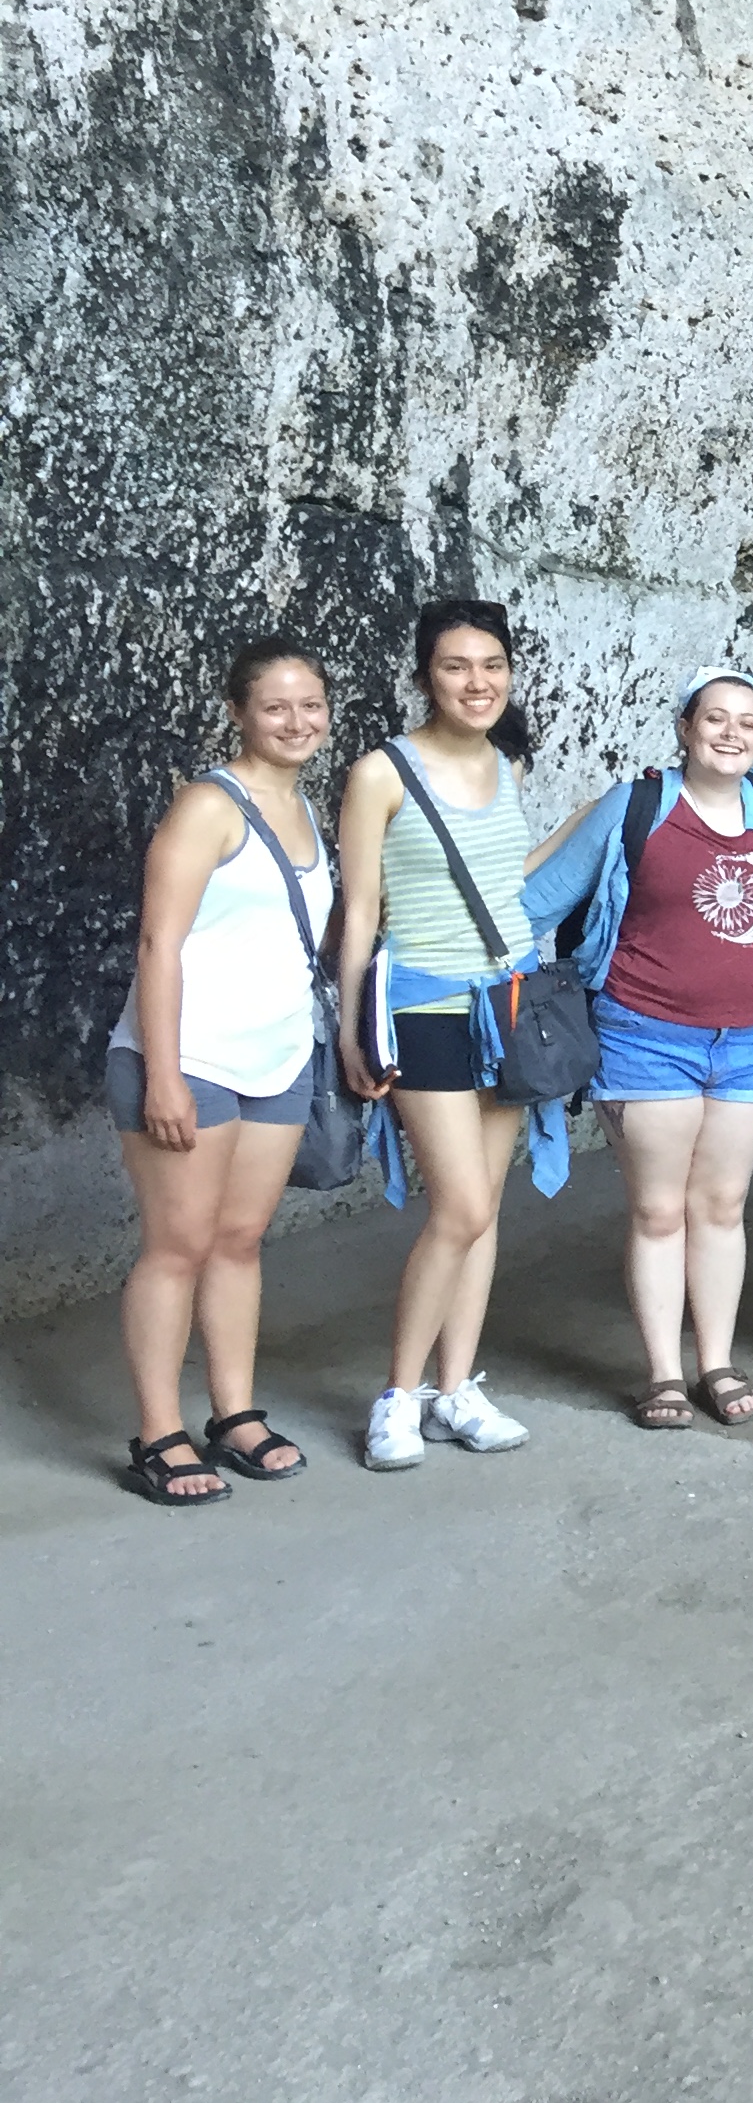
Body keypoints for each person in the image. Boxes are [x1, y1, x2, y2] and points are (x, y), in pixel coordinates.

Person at [525, 669, 753, 1431]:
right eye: (716, 718)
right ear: (685, 727)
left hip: (750, 1038)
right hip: (646, 1034)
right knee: (657, 1210)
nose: (732, 732)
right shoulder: (636, 805)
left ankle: (716, 1360)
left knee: (722, 1206)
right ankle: (663, 1374)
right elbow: (540, 900)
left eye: (748, 722)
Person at [106, 639, 334, 1504]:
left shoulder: (304, 808)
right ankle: (158, 1433)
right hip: (188, 1057)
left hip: (276, 1059)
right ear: (239, 712)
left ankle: (233, 1413)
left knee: (239, 1243)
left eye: (310, 705)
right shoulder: (210, 804)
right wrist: (162, 1075)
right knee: (178, 1247)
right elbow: (160, 941)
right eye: (275, 707)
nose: (296, 722)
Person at [335, 598, 549, 1473]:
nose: (477, 681)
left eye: (491, 665)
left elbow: (508, 885)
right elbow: (358, 913)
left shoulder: (506, 764)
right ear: (426, 674)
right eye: (457, 666)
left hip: (508, 1003)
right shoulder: (381, 772)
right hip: (421, 1005)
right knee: (457, 1204)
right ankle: (398, 1394)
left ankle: (456, 1389)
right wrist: (351, 1025)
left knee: (485, 1210)